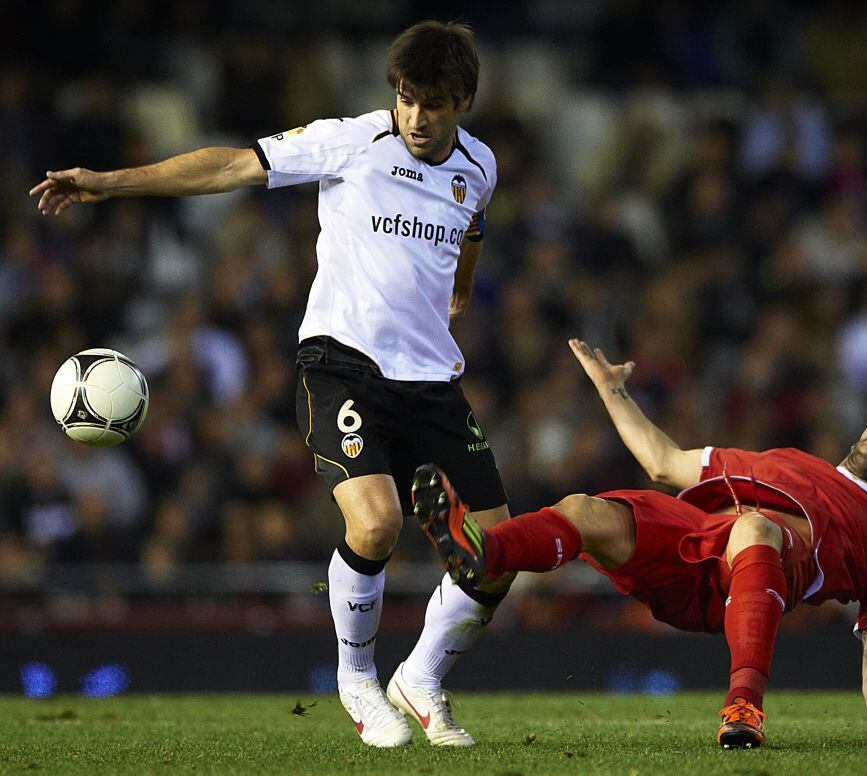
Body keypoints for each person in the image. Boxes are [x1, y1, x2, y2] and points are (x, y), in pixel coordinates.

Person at [30, 21, 511, 749]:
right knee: (376, 524)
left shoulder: (480, 166)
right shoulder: (351, 141)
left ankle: (420, 678)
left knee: (500, 550)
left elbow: (470, 226)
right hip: (340, 364)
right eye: (408, 99)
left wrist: (462, 293)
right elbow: (231, 165)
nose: (416, 117)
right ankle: (357, 678)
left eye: (435, 103)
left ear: (464, 102)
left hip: (431, 381)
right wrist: (112, 184)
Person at [411, 338, 867, 749]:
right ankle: (484, 554)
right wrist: (610, 388)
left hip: (755, 570)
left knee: (756, 527)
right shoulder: (786, 459)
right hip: (695, 542)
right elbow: (663, 462)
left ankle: (743, 707)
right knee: (583, 509)